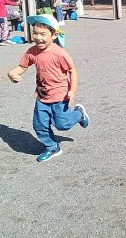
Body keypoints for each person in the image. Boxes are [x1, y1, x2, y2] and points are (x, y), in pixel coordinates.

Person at [7, 14, 89, 162]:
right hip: (42, 96)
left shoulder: (59, 53)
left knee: (63, 124)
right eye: (35, 33)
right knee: (39, 125)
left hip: (60, 95)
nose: (38, 38)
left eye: (43, 34)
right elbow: (22, 66)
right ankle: (52, 147)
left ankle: (79, 114)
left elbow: (72, 70)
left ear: (54, 35)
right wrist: (12, 73)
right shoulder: (32, 52)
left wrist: (73, 90)